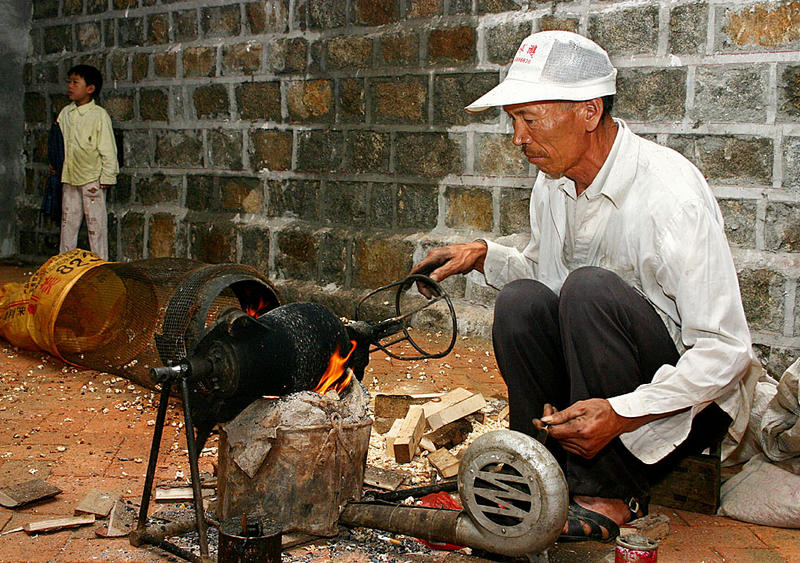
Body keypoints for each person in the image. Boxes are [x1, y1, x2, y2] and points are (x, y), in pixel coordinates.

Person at [410, 31, 759, 542]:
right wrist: (484, 256)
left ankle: (609, 494)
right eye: (514, 122)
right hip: (595, 387)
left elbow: (727, 350)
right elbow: (548, 286)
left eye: (530, 119)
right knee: (521, 302)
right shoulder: (553, 183)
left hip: (683, 406)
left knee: (591, 290)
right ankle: (541, 465)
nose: (518, 138)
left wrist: (620, 412)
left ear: (590, 112)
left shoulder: (669, 196)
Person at [56, 64, 118, 260]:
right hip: (70, 176)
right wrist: (55, 164)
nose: (70, 86)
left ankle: (99, 266)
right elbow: (57, 142)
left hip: (92, 179)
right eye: (69, 82)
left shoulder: (99, 115)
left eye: (76, 82)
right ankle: (64, 267)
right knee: (68, 222)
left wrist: (108, 175)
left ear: (90, 89)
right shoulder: (65, 114)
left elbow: (108, 148)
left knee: (95, 225)